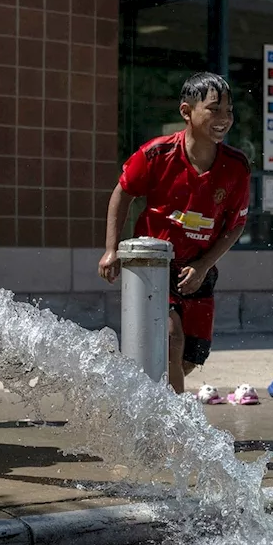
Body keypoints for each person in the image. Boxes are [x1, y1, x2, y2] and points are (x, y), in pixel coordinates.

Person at [98, 73, 249, 395]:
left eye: (229, 111)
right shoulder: (156, 155)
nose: (224, 119)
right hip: (153, 267)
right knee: (169, 340)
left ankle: (151, 400)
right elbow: (122, 193)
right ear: (186, 111)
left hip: (198, 269)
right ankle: (175, 436)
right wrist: (112, 250)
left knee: (186, 359)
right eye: (214, 110)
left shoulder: (236, 166)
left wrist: (205, 265)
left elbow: (236, 225)